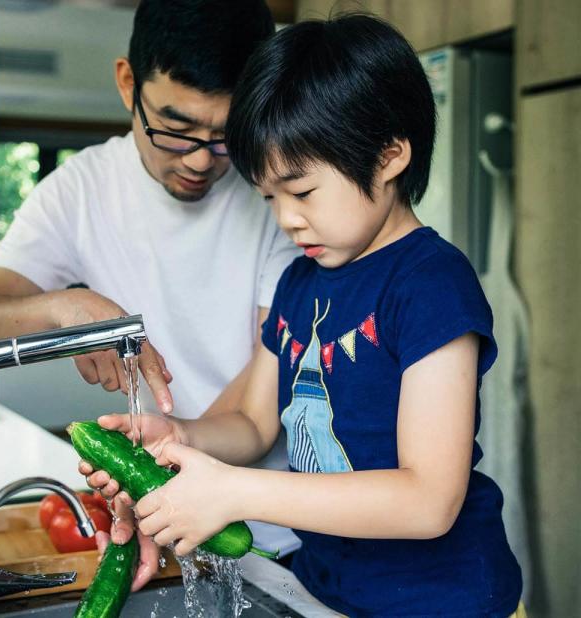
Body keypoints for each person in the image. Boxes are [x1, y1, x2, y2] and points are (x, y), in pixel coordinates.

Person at [82, 14, 524, 616]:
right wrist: (181, 437)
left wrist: (235, 491)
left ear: (390, 154)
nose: (286, 218)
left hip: (442, 598)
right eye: (269, 196)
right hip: (326, 587)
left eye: (303, 192)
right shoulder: (299, 282)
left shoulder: (429, 284)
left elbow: (428, 500)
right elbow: (255, 423)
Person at [0, 0, 300, 589]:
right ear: (127, 82)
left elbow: (260, 393)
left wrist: (164, 479)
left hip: (273, 537)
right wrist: (64, 309)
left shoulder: (281, 194)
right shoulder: (79, 191)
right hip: (160, 524)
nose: (202, 160)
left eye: (225, 134)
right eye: (176, 129)